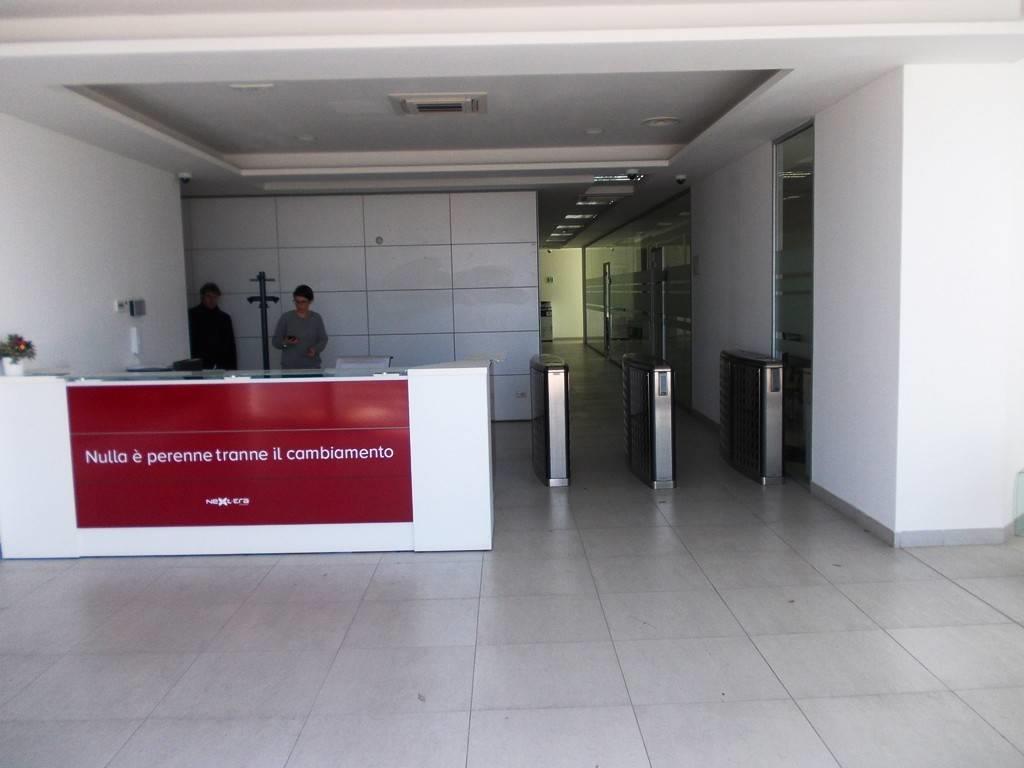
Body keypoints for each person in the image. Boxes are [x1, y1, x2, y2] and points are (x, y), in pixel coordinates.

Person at [272, 284, 328, 369]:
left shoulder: (316, 318)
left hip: (312, 367)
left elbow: (323, 339)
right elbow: (275, 342)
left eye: (303, 302)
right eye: (297, 301)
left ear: (310, 301)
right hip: (289, 368)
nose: (299, 305)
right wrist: (285, 342)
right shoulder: (286, 317)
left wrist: (315, 349)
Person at [187, 282, 237, 369]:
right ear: (202, 297)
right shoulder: (192, 316)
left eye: (215, 297)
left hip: (220, 365)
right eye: (208, 296)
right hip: (197, 364)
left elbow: (230, 346)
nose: (212, 300)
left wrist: (232, 370)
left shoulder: (224, 318)